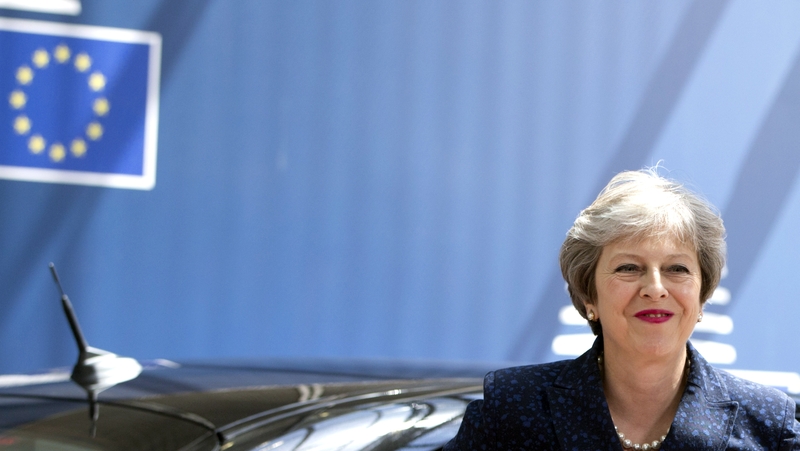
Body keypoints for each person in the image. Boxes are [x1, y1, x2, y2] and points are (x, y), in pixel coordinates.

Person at [444, 168, 800, 450]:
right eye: (629, 267)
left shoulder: (767, 423)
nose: (655, 289)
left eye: (677, 268)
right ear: (589, 296)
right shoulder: (513, 408)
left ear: (702, 295)